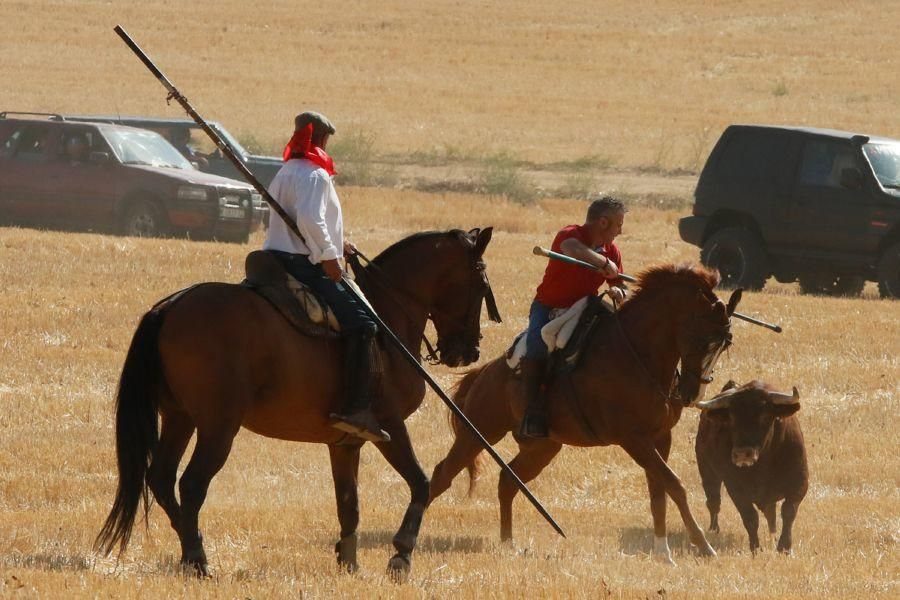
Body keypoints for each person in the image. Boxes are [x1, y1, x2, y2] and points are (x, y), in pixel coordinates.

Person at [263, 111, 390, 443]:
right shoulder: (315, 175)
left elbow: (300, 219)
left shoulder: (286, 171)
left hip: (276, 256)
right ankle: (354, 408)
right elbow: (309, 219)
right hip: (305, 263)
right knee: (363, 323)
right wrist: (330, 257)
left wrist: (338, 241)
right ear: (320, 139)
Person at [519, 196, 627, 439]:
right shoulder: (570, 234)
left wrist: (619, 291)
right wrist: (602, 262)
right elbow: (572, 249)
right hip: (547, 307)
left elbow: (621, 285)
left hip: (584, 308)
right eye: (619, 224)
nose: (620, 230)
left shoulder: (613, 251)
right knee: (536, 345)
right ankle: (532, 411)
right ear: (602, 222)